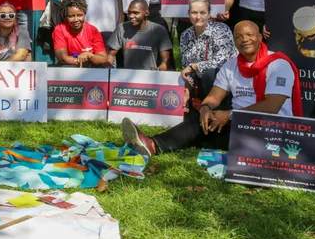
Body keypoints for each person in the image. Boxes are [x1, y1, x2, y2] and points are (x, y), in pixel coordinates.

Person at [123, 21, 301, 156]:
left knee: (207, 129)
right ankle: (152, 145)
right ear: (233, 40)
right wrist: (205, 109)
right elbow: (214, 97)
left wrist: (230, 114)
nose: (244, 39)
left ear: (260, 37)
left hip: (272, 128)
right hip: (239, 123)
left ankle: (200, 140)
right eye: (238, 36)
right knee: (201, 121)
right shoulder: (231, 65)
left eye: (249, 34)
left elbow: (272, 106)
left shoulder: (278, 64)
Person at [178, 0, 236, 103]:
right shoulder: (185, 35)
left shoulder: (221, 29)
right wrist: (187, 89)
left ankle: (218, 108)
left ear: (209, 14)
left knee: (209, 74)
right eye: (194, 12)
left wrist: (194, 66)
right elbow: (186, 67)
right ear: (188, 14)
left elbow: (222, 62)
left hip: (224, 81)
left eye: (202, 13)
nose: (198, 16)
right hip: (198, 81)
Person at [106, 0, 172, 70]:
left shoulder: (159, 30)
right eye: (129, 12)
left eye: (135, 13)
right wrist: (109, 70)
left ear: (146, 13)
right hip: (126, 76)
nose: (131, 16)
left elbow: (165, 62)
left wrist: (158, 71)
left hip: (151, 76)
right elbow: (110, 55)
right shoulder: (121, 28)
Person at [52, 0, 109, 67]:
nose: (76, 19)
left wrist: (89, 55)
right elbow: (63, 58)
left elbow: (103, 58)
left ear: (84, 14)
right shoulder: (60, 29)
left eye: (79, 15)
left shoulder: (92, 30)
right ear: (66, 17)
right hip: (68, 69)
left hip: (91, 70)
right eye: (71, 16)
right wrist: (85, 62)